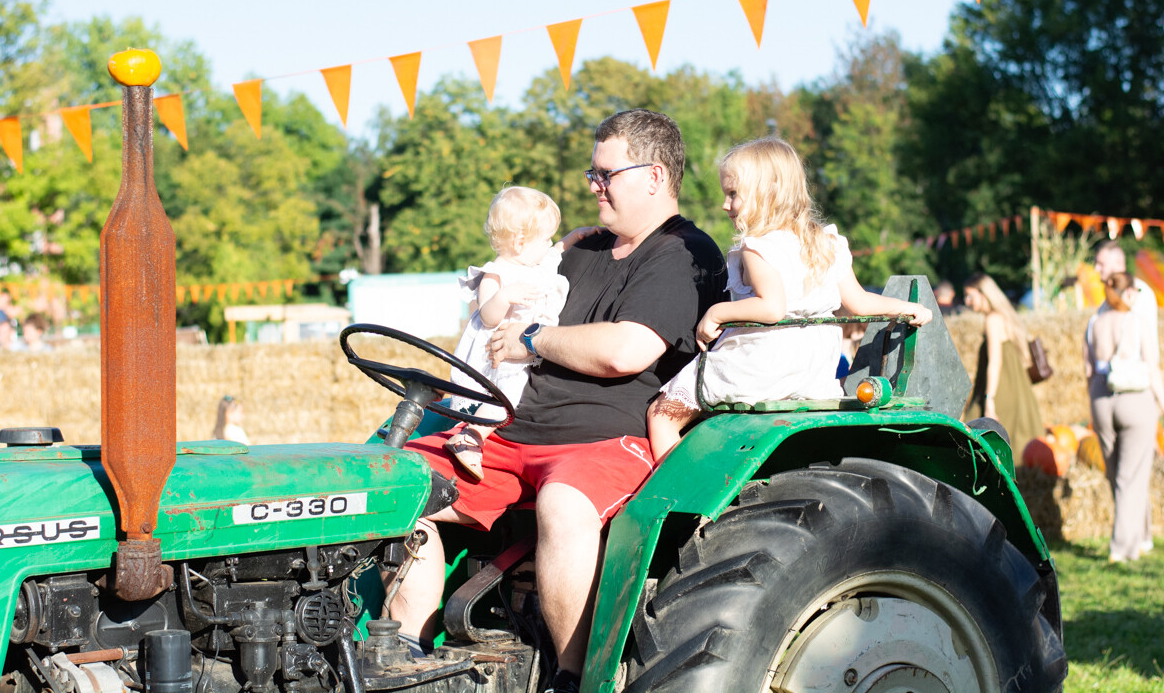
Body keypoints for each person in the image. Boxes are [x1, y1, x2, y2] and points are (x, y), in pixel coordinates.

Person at [389, 109, 726, 693]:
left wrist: (532, 340)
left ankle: (575, 680)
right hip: (515, 432)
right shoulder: (584, 249)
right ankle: (403, 663)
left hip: (604, 439)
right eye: (591, 174)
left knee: (565, 504)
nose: (591, 186)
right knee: (395, 483)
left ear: (654, 176)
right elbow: (515, 288)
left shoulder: (682, 254)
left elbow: (626, 349)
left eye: (604, 175)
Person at [646, 137, 932, 460]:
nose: (725, 205)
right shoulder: (826, 243)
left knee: (661, 415)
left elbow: (772, 307)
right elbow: (860, 304)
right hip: (813, 369)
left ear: (766, 193)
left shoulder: (758, 246)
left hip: (759, 365)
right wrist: (907, 308)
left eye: (733, 194)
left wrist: (716, 313)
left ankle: (681, 495)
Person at [445, 186, 595, 481]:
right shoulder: (497, 274)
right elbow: (487, 315)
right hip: (496, 354)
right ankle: (470, 438)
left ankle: (473, 433)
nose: (550, 243)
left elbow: (553, 254)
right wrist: (505, 297)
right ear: (520, 241)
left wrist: (575, 236)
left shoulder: (534, 265)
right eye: (545, 237)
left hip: (520, 353)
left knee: (512, 399)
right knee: (504, 400)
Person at [1083, 272, 1162, 562]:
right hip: (1135, 398)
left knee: (1117, 473)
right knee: (1132, 475)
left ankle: (1140, 536)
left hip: (1102, 399)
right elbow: (1153, 368)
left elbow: (1088, 370)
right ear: (1127, 293)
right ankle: (1122, 548)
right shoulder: (1137, 321)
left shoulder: (1094, 322)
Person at [961, 273, 1043, 462]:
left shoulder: (993, 320)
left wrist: (990, 399)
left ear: (984, 294)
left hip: (1001, 391)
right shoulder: (1006, 317)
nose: (967, 301)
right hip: (1016, 390)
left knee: (978, 439)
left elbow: (995, 362)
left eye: (970, 296)